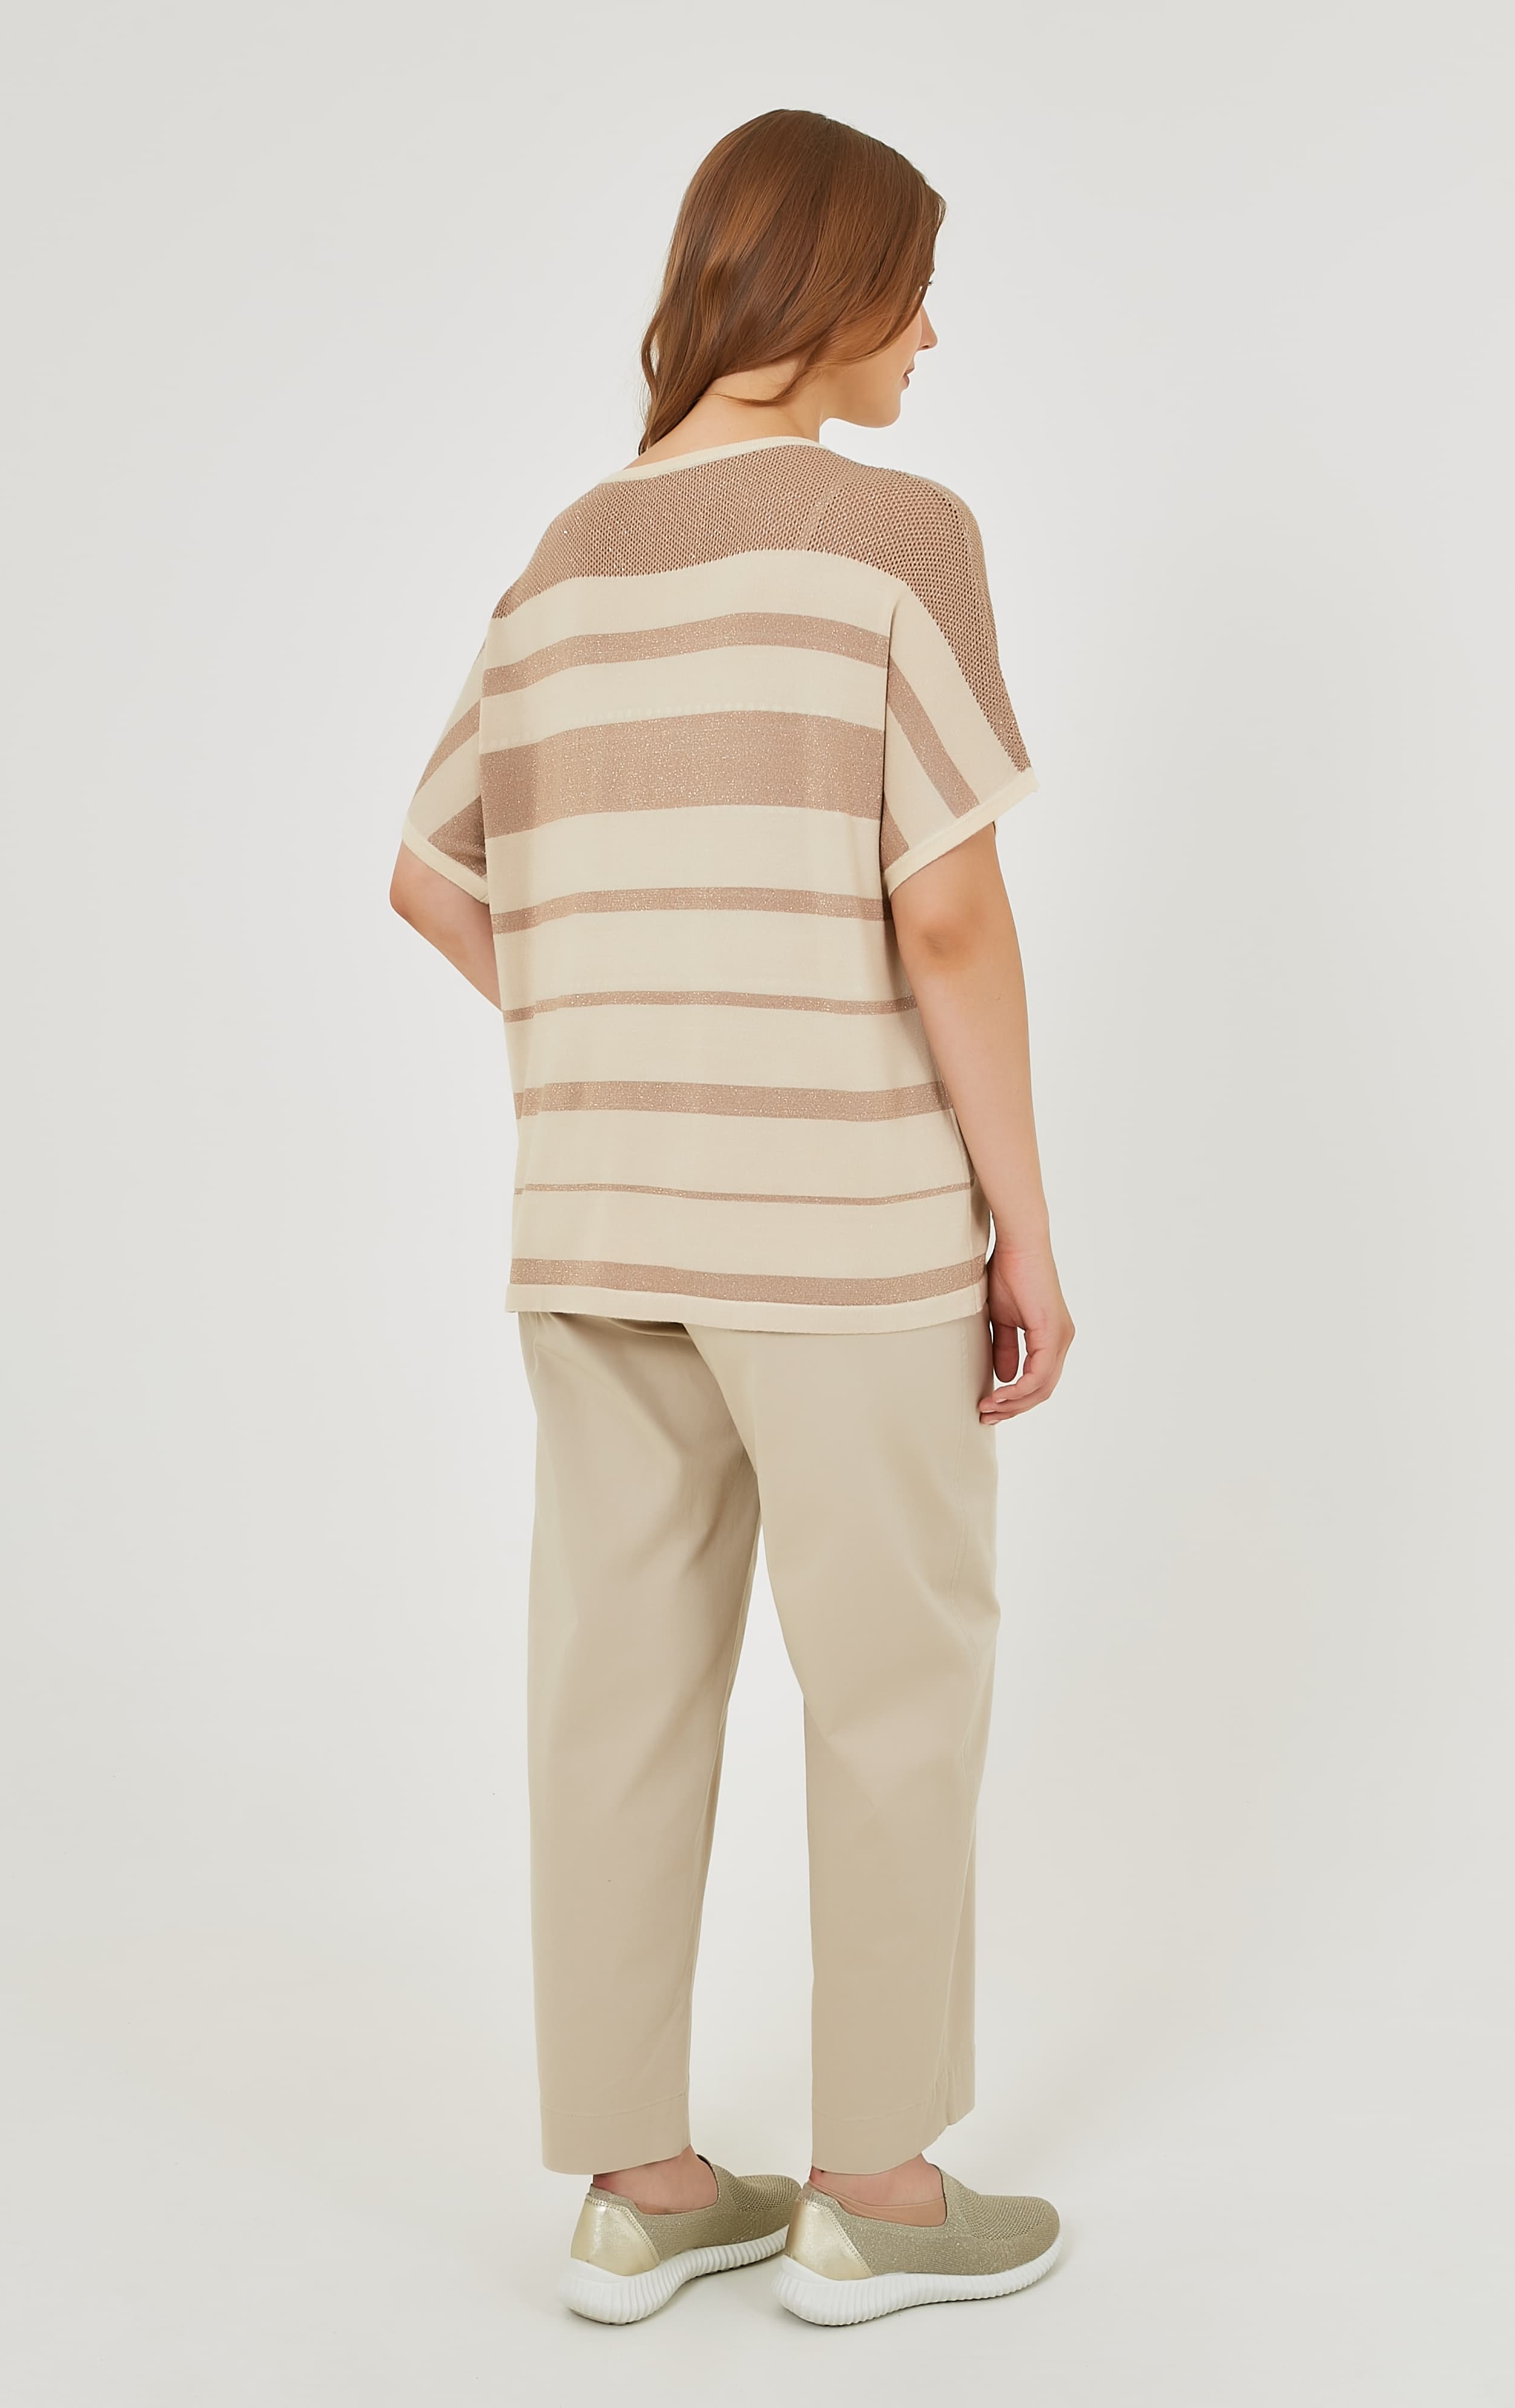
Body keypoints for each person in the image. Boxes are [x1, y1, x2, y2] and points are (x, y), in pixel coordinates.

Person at [389, 108, 1073, 2327]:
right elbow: (947, 915)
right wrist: (1023, 1227)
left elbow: (431, 874)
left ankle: (641, 2190)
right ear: (834, 288)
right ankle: (878, 2194)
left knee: (613, 1691)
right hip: (843, 1231)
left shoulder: (563, 564)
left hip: (598, 1222)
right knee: (894, 1690)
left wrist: (620, 1027)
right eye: (915, 290)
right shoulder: (897, 537)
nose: (932, 335)